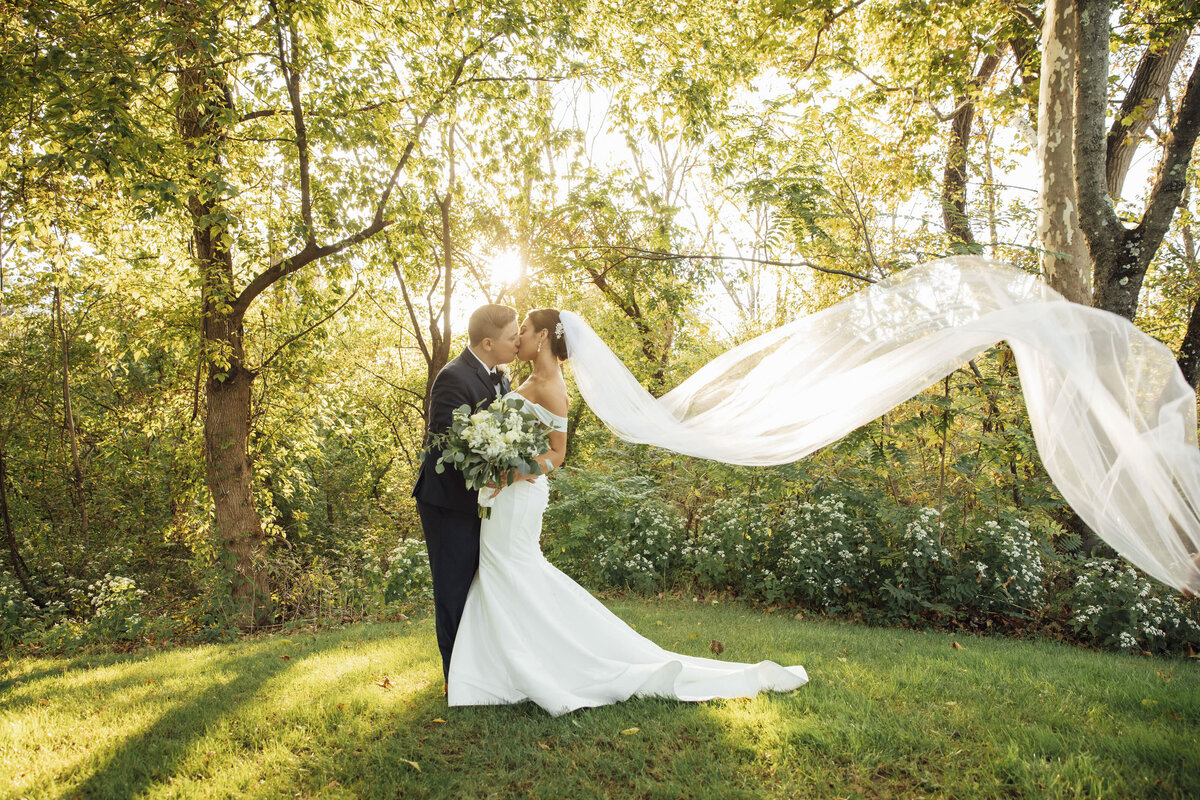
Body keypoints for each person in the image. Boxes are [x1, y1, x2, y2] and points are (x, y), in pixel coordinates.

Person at [446, 309, 808, 716]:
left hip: (518, 493)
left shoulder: (551, 387)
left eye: (524, 332)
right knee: (509, 572)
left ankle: (520, 666)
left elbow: (558, 454)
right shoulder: (524, 380)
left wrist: (512, 473)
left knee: (510, 569)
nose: (518, 339)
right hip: (503, 495)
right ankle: (506, 663)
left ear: (544, 336)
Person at [412, 304, 520, 686]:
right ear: (488, 343)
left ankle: (482, 669)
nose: (519, 341)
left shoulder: (501, 378)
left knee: (481, 583)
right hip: (447, 502)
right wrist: (495, 468)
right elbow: (446, 445)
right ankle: (456, 678)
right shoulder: (452, 377)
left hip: (481, 501)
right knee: (454, 587)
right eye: (513, 336)